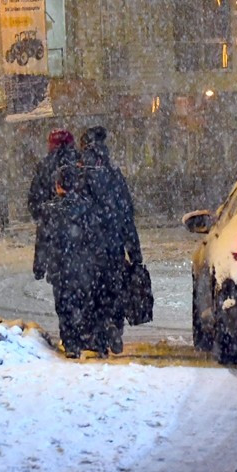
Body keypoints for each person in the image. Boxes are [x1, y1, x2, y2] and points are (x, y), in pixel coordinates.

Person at [79, 125, 143, 356]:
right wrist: (134, 252)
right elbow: (127, 214)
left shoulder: (80, 176)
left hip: (87, 247)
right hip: (114, 246)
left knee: (91, 293)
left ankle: (97, 336)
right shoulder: (114, 175)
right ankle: (114, 324)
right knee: (113, 290)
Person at [44, 163, 101, 358]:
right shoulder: (88, 208)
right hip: (84, 265)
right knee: (86, 301)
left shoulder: (51, 211)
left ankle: (70, 342)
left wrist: (42, 264)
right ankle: (88, 338)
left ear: (58, 185)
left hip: (60, 266)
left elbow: (44, 240)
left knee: (64, 305)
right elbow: (96, 237)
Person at [28, 129, 77, 284]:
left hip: (52, 234)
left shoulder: (45, 166)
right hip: (78, 234)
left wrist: (42, 215)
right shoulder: (80, 163)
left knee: (58, 281)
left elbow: (34, 199)